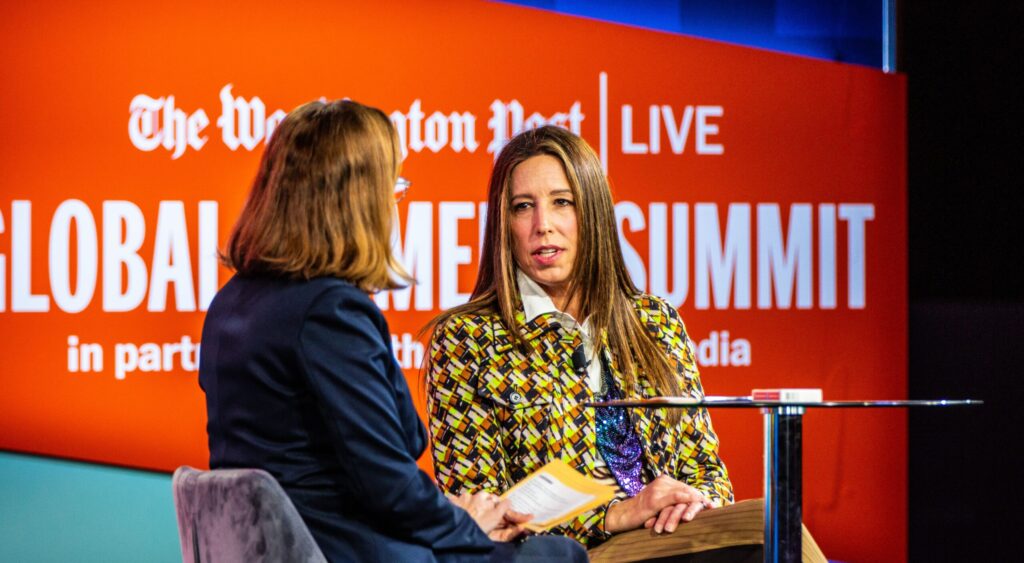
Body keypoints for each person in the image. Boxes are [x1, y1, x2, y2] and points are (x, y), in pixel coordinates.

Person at [200, 101, 586, 562]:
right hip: (349, 550)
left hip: (298, 544)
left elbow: (361, 464)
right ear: (357, 201)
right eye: (393, 190)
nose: (394, 208)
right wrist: (468, 527)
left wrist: (449, 512)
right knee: (556, 556)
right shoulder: (329, 311)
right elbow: (387, 485)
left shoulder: (232, 302)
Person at [427, 125, 733, 550]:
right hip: (570, 555)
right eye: (522, 207)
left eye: (562, 203)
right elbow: (480, 516)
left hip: (672, 541)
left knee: (775, 536)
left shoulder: (656, 321)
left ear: (593, 211)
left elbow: (708, 471)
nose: (543, 225)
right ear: (503, 222)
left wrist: (692, 503)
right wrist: (615, 515)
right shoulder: (467, 339)